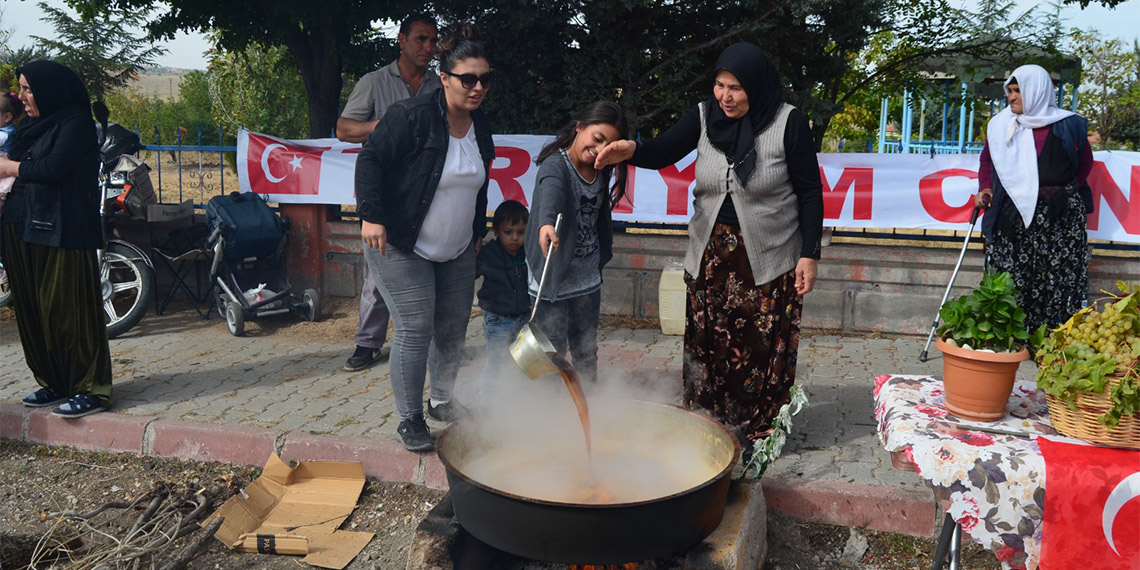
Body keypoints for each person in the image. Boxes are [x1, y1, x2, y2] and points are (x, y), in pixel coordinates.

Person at [595, 43, 824, 451]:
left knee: (756, 347)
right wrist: (631, 150)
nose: (726, 96)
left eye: (736, 88)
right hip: (711, 255)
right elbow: (664, 149)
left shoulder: (788, 122)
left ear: (755, 86)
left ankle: (755, 431)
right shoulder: (704, 116)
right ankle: (709, 424)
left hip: (767, 258)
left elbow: (810, 193)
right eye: (719, 85)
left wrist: (810, 255)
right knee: (709, 343)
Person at [354, 23, 495, 452]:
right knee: (416, 327)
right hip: (399, 241)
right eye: (467, 78)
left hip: (455, 250)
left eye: (484, 79)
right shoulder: (411, 117)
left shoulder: (480, 127)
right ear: (445, 78)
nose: (477, 87)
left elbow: (478, 188)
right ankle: (410, 419)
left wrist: (474, 234)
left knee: (452, 330)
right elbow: (371, 160)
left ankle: (442, 400)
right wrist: (371, 216)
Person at [0, 60, 113, 418]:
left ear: (50, 90)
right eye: (20, 88)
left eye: (28, 89)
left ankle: (89, 387)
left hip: (63, 229)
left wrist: (9, 167)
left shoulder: (75, 123)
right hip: (22, 226)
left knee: (68, 311)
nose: (21, 96)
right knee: (34, 312)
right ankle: (54, 380)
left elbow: (54, 168)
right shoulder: (31, 127)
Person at [338, 13, 440, 372]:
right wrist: (386, 127)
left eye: (433, 40)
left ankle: (424, 345)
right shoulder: (375, 82)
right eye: (420, 39)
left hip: (428, 195)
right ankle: (368, 344)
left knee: (430, 271)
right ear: (401, 40)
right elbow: (344, 128)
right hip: (383, 194)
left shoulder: (439, 86)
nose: (428, 47)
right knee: (377, 275)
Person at [975, 64, 1093, 334]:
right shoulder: (1000, 125)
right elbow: (986, 161)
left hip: (1058, 214)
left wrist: (1066, 191)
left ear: (1037, 92)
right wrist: (986, 188)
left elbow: (1085, 164)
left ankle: (1052, 339)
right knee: (1013, 276)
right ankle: (1010, 338)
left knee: (1057, 278)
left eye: (1018, 91)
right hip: (1012, 214)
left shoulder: (1069, 124)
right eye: (1010, 91)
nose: (1012, 97)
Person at [525, 101, 629, 385]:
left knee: (586, 353)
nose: (600, 149)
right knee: (550, 355)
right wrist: (546, 223)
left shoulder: (601, 170)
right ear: (579, 127)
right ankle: (548, 416)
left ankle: (587, 411)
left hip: (587, 283)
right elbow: (551, 192)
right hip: (553, 283)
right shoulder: (556, 166)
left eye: (610, 144)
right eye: (597, 139)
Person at [475, 199, 529, 396]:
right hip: (497, 318)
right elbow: (470, 273)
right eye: (508, 232)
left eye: (521, 232)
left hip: (523, 316)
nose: (514, 238)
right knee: (497, 360)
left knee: (524, 359)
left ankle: (521, 397)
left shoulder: (527, 253)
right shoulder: (489, 253)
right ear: (496, 231)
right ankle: (486, 398)